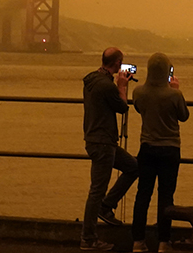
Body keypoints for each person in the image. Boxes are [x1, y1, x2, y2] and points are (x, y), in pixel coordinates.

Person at [130, 52, 189, 253]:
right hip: (170, 149)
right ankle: (164, 242)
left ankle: (138, 241)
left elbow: (139, 109)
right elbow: (184, 116)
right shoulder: (174, 95)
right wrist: (176, 89)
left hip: (147, 148)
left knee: (142, 195)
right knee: (166, 197)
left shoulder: (139, 92)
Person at [82, 47, 139, 251]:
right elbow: (122, 108)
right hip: (103, 142)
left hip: (96, 139)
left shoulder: (90, 80)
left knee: (133, 166)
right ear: (117, 63)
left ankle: (107, 206)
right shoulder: (106, 86)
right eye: (120, 63)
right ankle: (88, 239)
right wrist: (122, 87)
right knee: (96, 190)